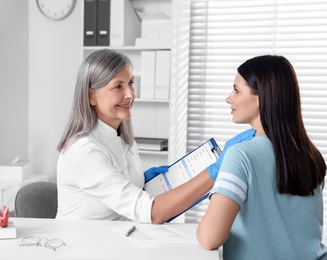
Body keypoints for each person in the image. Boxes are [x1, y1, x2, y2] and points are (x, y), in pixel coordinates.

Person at [56, 49, 254, 224]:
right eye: (118, 86)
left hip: (115, 238)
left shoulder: (123, 139)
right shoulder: (85, 151)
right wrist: (215, 171)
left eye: (131, 83)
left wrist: (141, 182)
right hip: (80, 247)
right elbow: (151, 213)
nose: (130, 95)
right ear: (90, 96)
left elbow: (124, 197)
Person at [197, 55, 327, 259]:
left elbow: (209, 237)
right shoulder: (312, 155)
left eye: (237, 90)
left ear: (262, 97)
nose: (228, 97)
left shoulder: (240, 156)